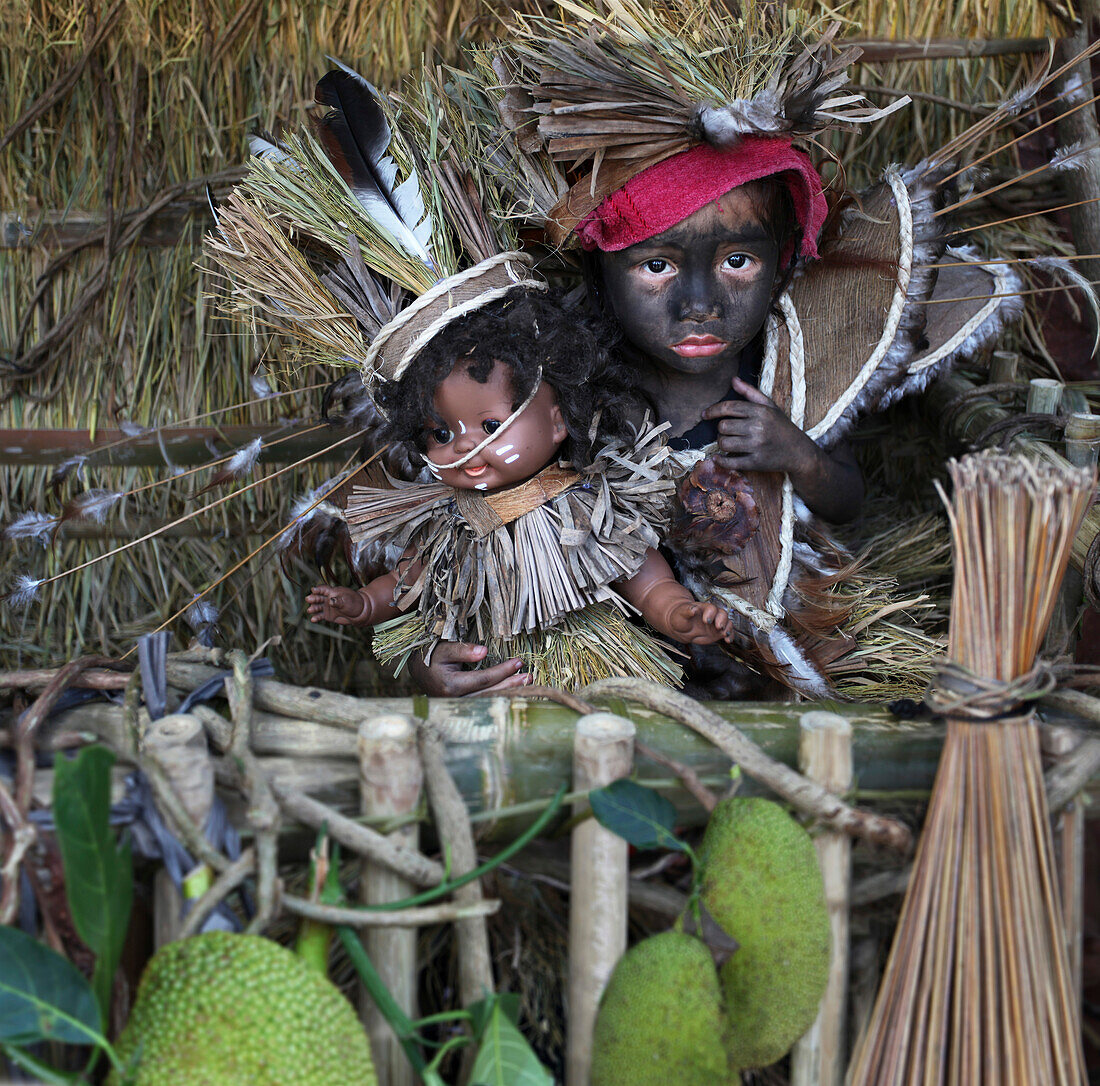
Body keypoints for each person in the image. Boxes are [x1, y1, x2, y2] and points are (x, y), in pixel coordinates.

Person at [305, 290, 735, 690]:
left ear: (557, 422)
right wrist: (363, 605)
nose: (464, 444)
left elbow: (641, 576)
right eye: (440, 434)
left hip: (588, 673)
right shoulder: (448, 525)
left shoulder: (583, 507)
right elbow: (407, 582)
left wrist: (678, 612)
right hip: (491, 680)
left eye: (491, 426)